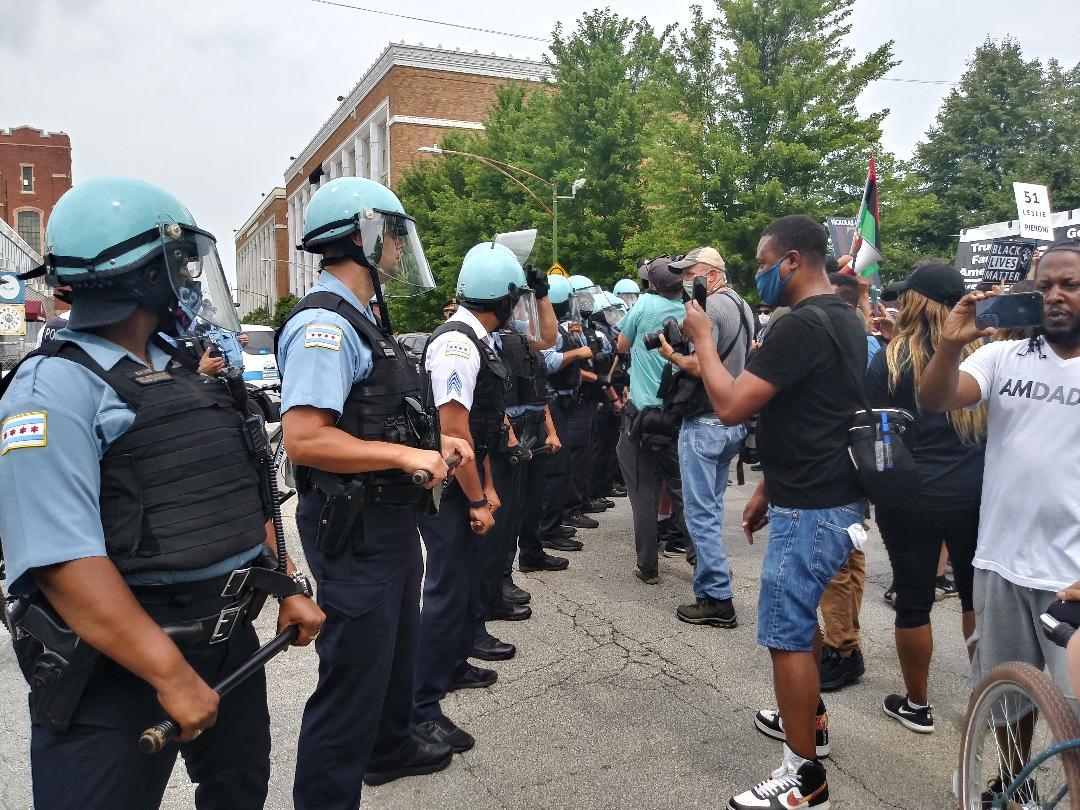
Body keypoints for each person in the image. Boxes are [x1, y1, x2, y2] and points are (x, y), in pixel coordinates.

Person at [0, 176, 324, 810]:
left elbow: (244, 492)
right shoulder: (52, 391)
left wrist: (282, 585)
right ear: (144, 275)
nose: (190, 278)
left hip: (225, 639)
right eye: (179, 262)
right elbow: (63, 562)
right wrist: (170, 675)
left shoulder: (183, 373)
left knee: (237, 793)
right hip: (109, 673)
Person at [279, 177, 469, 806]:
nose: (397, 247)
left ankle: (390, 748)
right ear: (363, 236)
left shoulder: (365, 320)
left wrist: (430, 449)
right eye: (392, 233)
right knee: (353, 676)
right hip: (354, 529)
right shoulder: (323, 326)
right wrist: (406, 455)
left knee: (395, 649)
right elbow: (306, 439)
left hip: (387, 520)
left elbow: (380, 415)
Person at [683, 215, 867, 810]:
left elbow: (733, 405)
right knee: (800, 623)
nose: (759, 274)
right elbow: (815, 415)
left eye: (763, 263)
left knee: (786, 636)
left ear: (791, 261)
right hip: (824, 493)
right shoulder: (844, 319)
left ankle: (801, 775)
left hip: (812, 509)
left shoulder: (800, 326)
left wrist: (706, 343)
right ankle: (807, 724)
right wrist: (768, 485)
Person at [919, 240, 1080, 794]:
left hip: (1072, 577)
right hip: (1002, 563)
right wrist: (948, 345)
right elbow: (938, 398)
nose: (1055, 296)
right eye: (1043, 287)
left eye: (1070, 285)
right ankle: (1014, 783)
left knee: (1074, 719)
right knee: (1006, 695)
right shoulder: (1001, 356)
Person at [413, 241, 541, 753]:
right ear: (503, 298)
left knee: (464, 579)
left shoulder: (479, 338)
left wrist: (487, 486)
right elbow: (453, 431)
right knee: (445, 588)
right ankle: (425, 694)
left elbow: (483, 428)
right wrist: (476, 500)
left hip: (470, 479)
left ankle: (455, 660)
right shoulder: (459, 345)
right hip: (448, 490)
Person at [862, 261, 986, 734]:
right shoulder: (984, 355)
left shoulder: (892, 357)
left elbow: (873, 431)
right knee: (977, 599)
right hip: (974, 493)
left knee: (914, 600)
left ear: (917, 301)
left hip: (909, 495)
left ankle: (918, 704)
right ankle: (986, 697)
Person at [658, 246, 752, 627]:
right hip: (731, 418)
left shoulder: (710, 308)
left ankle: (716, 596)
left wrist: (673, 357)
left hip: (706, 419)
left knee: (699, 513)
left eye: (689, 273)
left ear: (711, 274)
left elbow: (700, 363)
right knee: (710, 508)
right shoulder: (742, 305)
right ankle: (714, 576)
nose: (683, 280)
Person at [812, 270, 882, 692]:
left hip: (838, 458)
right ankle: (847, 641)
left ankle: (842, 649)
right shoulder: (871, 342)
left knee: (836, 561)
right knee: (851, 554)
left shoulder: (843, 342)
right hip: (864, 460)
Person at [615, 255, 690, 584]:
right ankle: (702, 558)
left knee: (643, 494)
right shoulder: (690, 311)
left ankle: (648, 566)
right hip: (677, 416)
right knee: (682, 492)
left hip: (641, 417)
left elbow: (622, 343)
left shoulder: (643, 306)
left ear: (652, 284)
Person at [538, 275, 597, 549]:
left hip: (566, 402)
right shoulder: (548, 331)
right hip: (554, 402)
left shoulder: (564, 329)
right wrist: (578, 352)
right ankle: (547, 529)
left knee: (564, 467)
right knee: (555, 468)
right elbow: (550, 363)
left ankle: (553, 522)